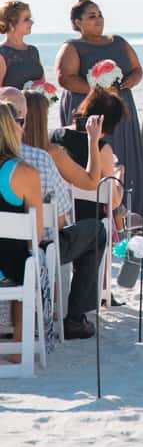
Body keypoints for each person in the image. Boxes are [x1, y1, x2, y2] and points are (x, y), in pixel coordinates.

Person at [2, 87, 106, 339]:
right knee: (96, 231)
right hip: (28, 255)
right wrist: (93, 141)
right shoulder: (39, 160)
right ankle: (75, 318)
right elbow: (58, 219)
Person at [55, 0, 143, 218]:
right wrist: (98, 90)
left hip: (119, 106)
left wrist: (129, 82)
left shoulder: (119, 42)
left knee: (124, 153)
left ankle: (128, 211)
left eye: (100, 14)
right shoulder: (72, 47)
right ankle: (94, 211)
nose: (98, 19)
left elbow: (137, 69)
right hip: (90, 107)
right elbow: (64, 79)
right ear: (78, 22)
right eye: (92, 16)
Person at [0, 100, 54, 355]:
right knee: (29, 258)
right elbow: (37, 234)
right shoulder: (24, 173)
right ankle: (17, 347)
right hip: (9, 268)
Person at [49, 88, 125, 223]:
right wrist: (119, 179)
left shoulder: (52, 136)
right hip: (90, 224)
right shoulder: (102, 149)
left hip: (56, 216)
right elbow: (112, 202)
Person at [0, 0, 45, 89]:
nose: (32, 22)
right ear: (11, 24)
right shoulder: (2, 53)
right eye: (26, 19)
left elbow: (43, 83)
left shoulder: (33, 51)